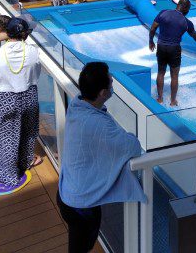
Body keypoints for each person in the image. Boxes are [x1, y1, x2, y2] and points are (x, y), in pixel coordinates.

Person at [58, 62, 146, 253]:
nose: (113, 85)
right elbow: (133, 147)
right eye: (111, 84)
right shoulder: (100, 125)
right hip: (80, 205)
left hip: (67, 192)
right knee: (80, 248)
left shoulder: (77, 104)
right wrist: (128, 136)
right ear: (102, 93)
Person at [0, 17, 42, 191]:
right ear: (25, 35)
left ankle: (6, 172)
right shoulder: (33, 51)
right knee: (28, 131)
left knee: (6, 135)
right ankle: (25, 160)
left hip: (5, 98)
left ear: (6, 33)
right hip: (29, 95)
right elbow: (36, 74)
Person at [149, 0, 196, 106]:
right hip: (174, 49)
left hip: (161, 46)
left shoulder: (163, 13)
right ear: (187, 9)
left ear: (177, 4)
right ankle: (173, 101)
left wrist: (151, 41)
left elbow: (153, 28)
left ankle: (160, 99)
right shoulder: (187, 22)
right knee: (174, 76)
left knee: (161, 73)